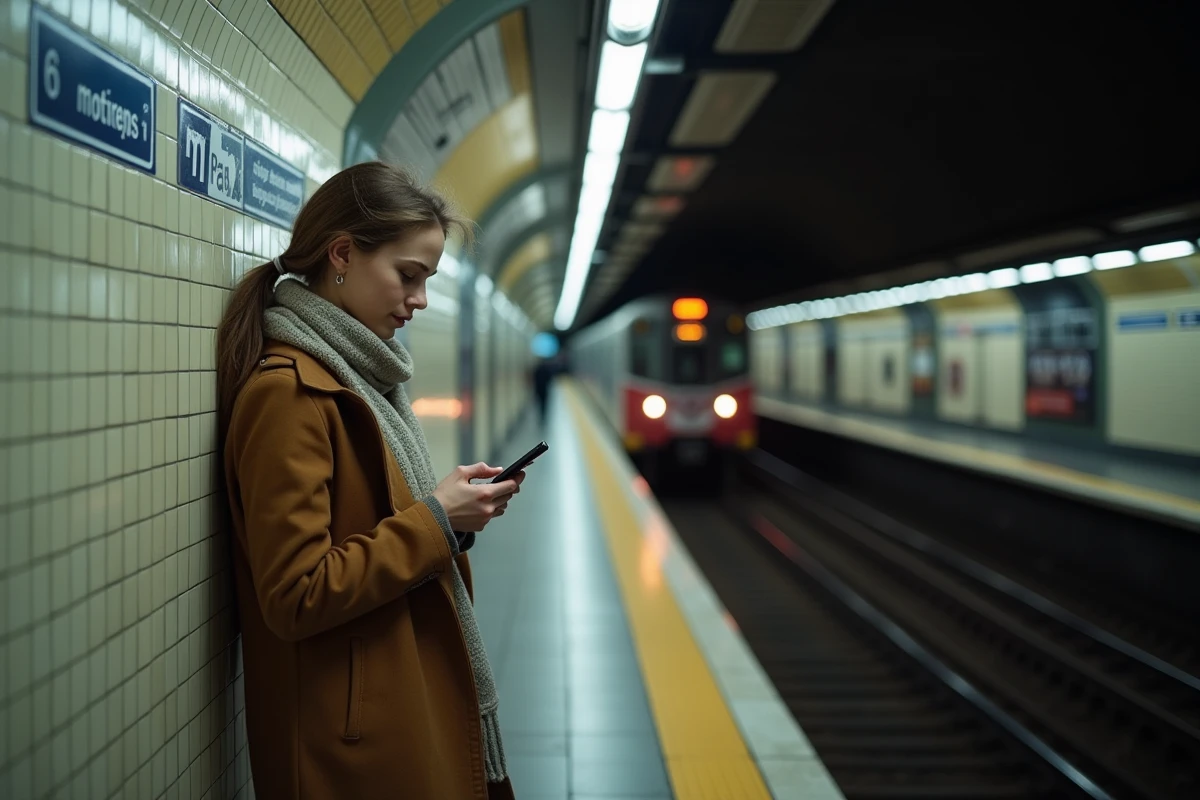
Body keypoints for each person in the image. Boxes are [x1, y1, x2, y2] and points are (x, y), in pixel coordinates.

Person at [215, 162, 520, 800]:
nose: (420, 300)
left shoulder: (365, 383)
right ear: (344, 254)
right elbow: (296, 593)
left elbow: (370, 526)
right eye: (408, 276)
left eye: (427, 280)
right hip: (346, 742)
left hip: (388, 697)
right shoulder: (290, 394)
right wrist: (436, 519)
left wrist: (449, 514)